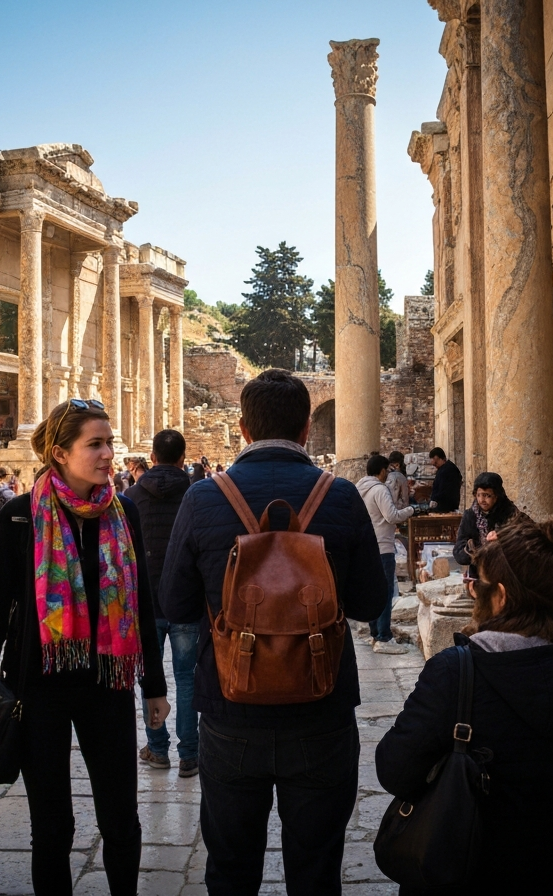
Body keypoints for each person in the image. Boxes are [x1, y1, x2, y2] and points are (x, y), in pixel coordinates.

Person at [159, 368, 387, 896]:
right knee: (316, 867)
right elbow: (372, 602)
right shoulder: (342, 496)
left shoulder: (202, 499)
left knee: (232, 868)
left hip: (232, 710)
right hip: (321, 710)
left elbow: (175, 603)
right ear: (308, 429)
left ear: (241, 429)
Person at [0, 399, 169, 896]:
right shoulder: (18, 517)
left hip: (107, 684)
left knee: (121, 818)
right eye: (95, 444)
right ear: (59, 452)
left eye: (109, 442)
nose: (108, 454)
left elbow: (140, 603)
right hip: (39, 690)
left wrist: (154, 686)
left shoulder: (124, 512)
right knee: (52, 827)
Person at [377, 516, 553, 894]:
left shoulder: (458, 672)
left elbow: (395, 768)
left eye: (476, 585)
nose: (473, 593)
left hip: (469, 870)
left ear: (501, 596)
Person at [125, 429, 198, 776]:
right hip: (185, 600)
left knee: (149, 678)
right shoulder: (198, 494)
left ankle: (157, 748)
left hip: (145, 602)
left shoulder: (131, 497)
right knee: (186, 677)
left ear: (151, 458)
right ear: (183, 459)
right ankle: (190, 753)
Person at [357, 455, 415, 654]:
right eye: (387, 470)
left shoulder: (359, 489)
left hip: (366, 547)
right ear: (381, 470)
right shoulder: (380, 490)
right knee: (385, 592)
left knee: (372, 592)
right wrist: (411, 510)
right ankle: (383, 637)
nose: (388, 474)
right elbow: (392, 516)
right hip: (383, 546)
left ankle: (375, 633)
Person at [453, 471, 528, 577]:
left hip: (508, 574)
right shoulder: (470, 515)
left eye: (487, 495)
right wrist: (477, 548)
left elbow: (529, 535)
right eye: (478, 495)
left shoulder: (511, 514)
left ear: (496, 496)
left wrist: (503, 536)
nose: (481, 500)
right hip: (480, 575)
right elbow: (459, 552)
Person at [427, 446, 463, 512]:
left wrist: (435, 499)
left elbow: (447, 489)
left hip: (446, 506)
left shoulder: (449, 469)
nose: (435, 466)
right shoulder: (442, 469)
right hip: (442, 504)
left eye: (436, 463)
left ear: (441, 458)